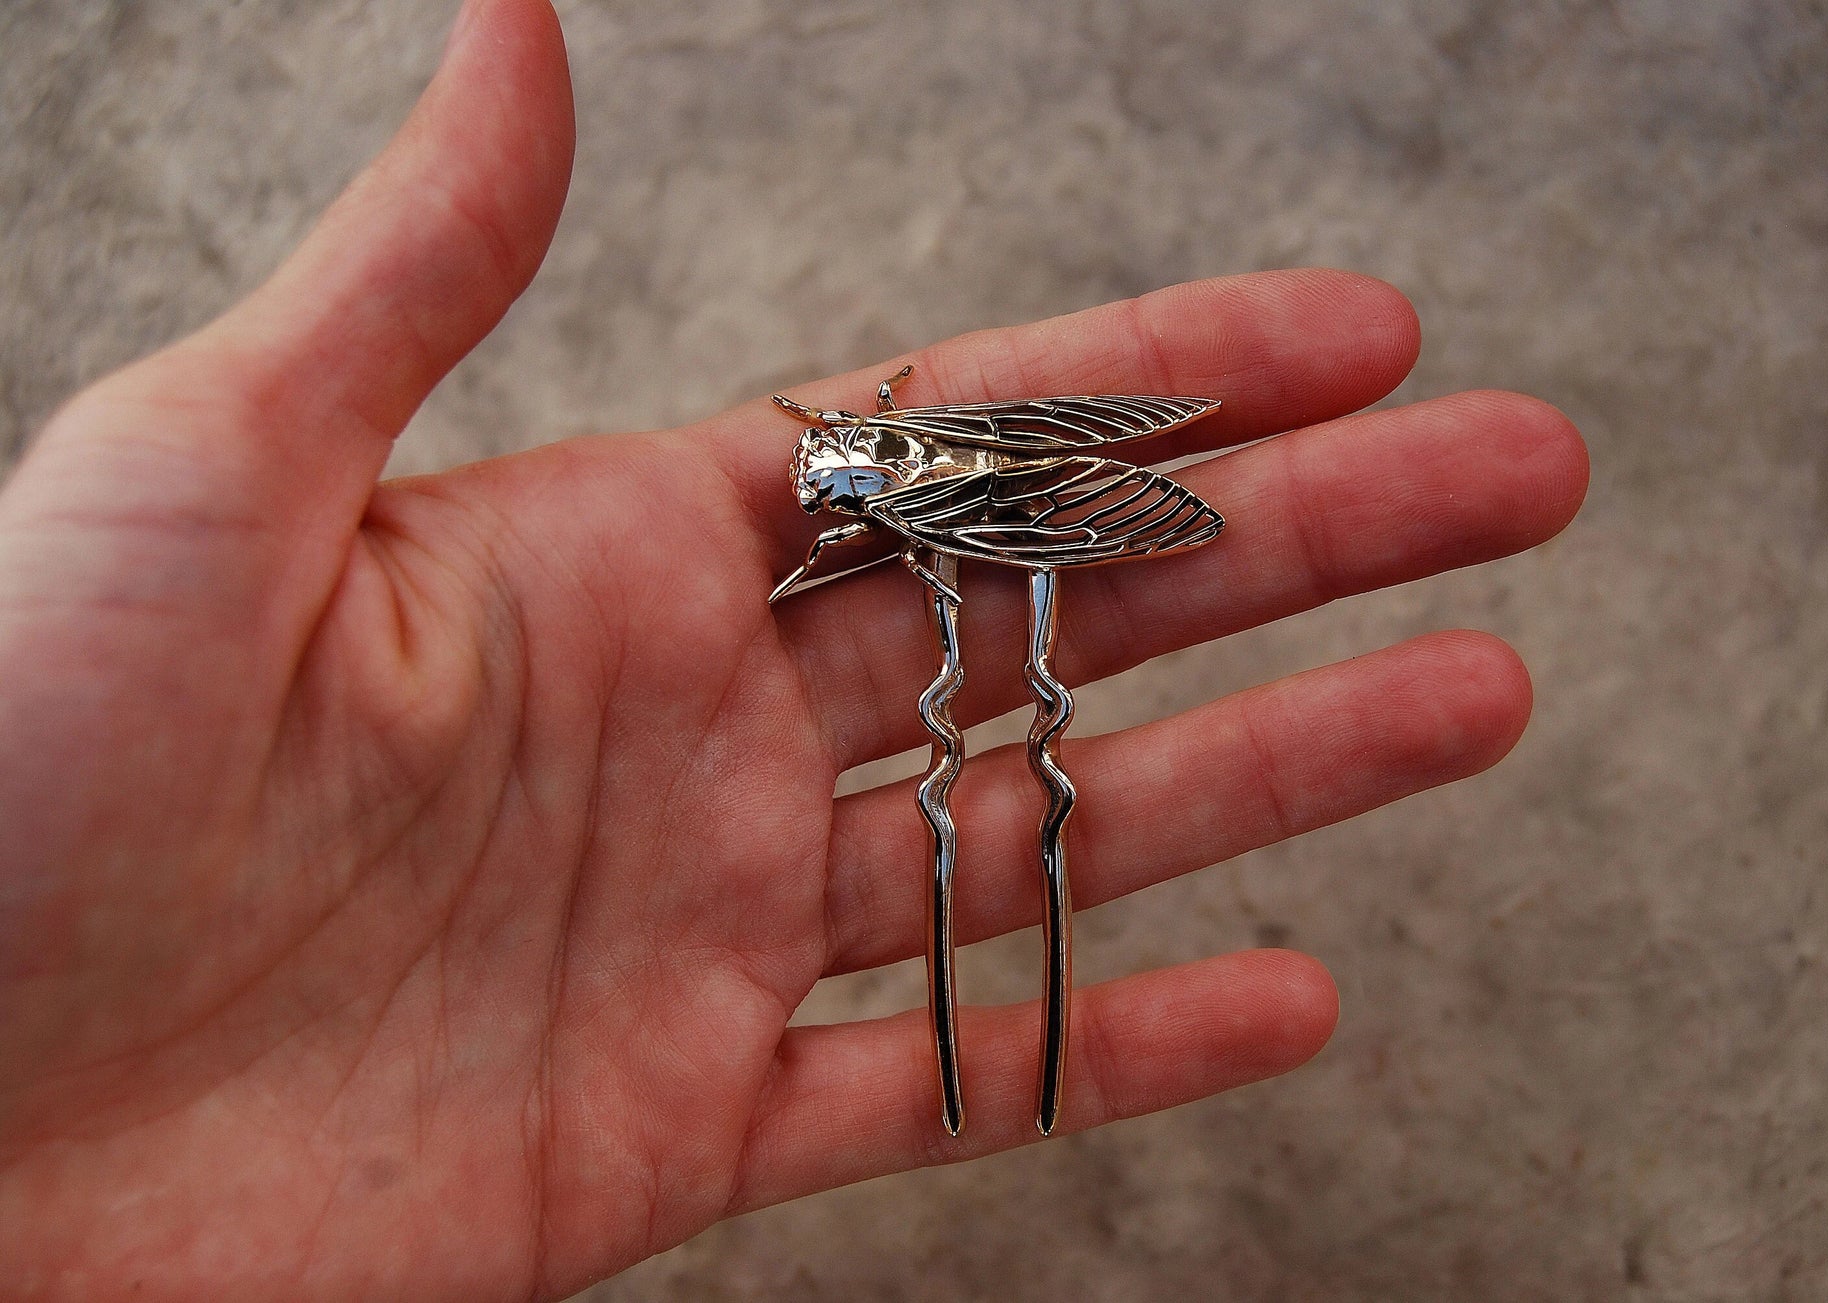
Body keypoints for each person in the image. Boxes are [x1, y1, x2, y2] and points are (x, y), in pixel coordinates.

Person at [0, 0, 1588, 1297]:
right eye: (833, 465)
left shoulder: (893, 479)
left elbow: (910, 490)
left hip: (1011, 517)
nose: (822, 473)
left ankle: (996, 1024)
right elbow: (857, 500)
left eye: (834, 465)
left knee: (1018, 725)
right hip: (968, 525)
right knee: (1009, 744)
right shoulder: (857, 488)